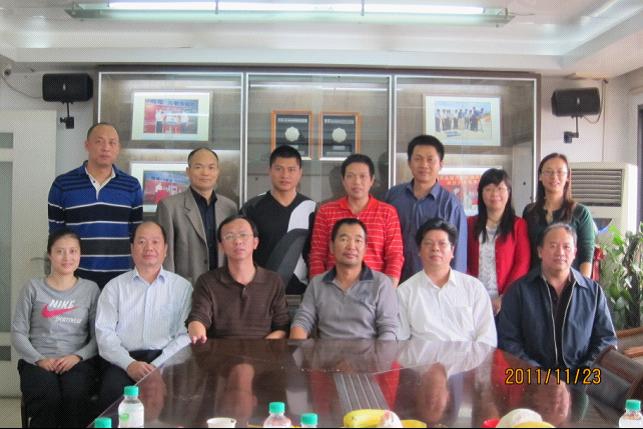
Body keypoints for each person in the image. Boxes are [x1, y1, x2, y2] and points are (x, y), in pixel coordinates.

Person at [95, 221, 192, 411]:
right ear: (132, 249)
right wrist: (130, 364)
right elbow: (104, 334)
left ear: (165, 249)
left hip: (167, 360)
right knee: (111, 395)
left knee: (181, 401)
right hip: (124, 361)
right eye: (141, 242)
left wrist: (156, 366)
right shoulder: (114, 287)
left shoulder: (182, 288)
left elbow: (186, 335)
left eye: (155, 242)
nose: (149, 248)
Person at [11, 229, 100, 428]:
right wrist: (39, 359)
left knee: (75, 395)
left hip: (77, 362)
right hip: (38, 362)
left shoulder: (90, 289)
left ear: (80, 255)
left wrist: (77, 357)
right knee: (48, 397)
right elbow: (18, 333)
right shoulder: (33, 288)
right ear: (49, 255)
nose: (67, 257)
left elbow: (98, 337)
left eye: (73, 251)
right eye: (60, 251)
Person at [497, 223, 616, 369]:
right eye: (553, 246)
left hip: (582, 377)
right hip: (531, 378)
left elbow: (606, 340)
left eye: (566, 247)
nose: (560, 252)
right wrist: (539, 376)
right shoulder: (518, 291)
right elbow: (508, 341)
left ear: (574, 252)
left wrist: (586, 372)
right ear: (540, 251)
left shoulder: (593, 292)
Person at [48, 122, 143, 289]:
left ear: (118, 148)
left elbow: (135, 235)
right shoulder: (63, 185)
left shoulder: (131, 186)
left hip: (121, 278)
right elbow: (56, 236)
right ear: (87, 145)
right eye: (99, 141)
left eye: (112, 142)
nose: (106, 148)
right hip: (76, 278)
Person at [290, 218, 399, 340]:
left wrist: (378, 353)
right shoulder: (317, 283)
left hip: (368, 352)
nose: (351, 246)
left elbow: (388, 330)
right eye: (344, 239)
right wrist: (298, 347)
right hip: (327, 351)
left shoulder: (381, 283)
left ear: (365, 248)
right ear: (332, 246)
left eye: (358, 240)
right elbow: (302, 321)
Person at [186, 214, 290, 342]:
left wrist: (260, 348)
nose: (238, 241)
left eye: (243, 235)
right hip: (220, 353)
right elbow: (198, 317)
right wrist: (197, 332)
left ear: (255, 242)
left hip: (263, 352)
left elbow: (282, 328)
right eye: (229, 236)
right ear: (221, 247)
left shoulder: (273, 281)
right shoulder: (207, 281)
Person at [397, 218, 496, 347]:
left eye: (442, 243)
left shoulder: (474, 287)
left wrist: (472, 359)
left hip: (467, 358)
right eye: (428, 243)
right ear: (419, 251)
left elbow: (487, 337)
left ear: (452, 251)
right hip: (423, 359)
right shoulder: (404, 292)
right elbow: (401, 341)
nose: (435, 248)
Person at [309, 154, 404, 287]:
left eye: (362, 176)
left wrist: (387, 290)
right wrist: (319, 289)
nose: (357, 182)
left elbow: (395, 256)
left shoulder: (387, 212)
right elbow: (317, 255)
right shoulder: (326, 212)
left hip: (374, 290)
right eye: (350, 176)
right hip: (334, 289)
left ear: (372, 180)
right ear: (343, 180)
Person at [385, 135, 467, 282]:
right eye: (418, 159)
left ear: (440, 164)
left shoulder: (451, 205)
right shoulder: (393, 197)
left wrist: (454, 287)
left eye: (430, 159)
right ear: (409, 163)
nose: (424, 165)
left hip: (434, 284)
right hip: (394, 281)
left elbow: (458, 253)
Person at [241, 145, 316, 294]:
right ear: (269, 171)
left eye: (291, 169)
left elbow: (316, 253)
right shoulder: (252, 207)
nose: (285, 175)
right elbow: (242, 251)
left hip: (301, 292)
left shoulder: (311, 209)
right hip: (259, 292)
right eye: (279, 169)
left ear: (300, 173)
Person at [157, 147, 237, 284]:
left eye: (211, 167)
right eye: (198, 167)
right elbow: (166, 255)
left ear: (218, 172)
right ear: (188, 171)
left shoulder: (230, 207)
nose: (205, 173)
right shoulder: (169, 207)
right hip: (186, 285)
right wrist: (169, 287)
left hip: (223, 285)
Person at [467, 169, 530, 315]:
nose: (494, 194)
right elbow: (464, 261)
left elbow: (522, 263)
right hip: (474, 300)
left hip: (507, 300)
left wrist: (505, 297)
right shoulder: (469, 224)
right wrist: (473, 293)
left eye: (500, 188)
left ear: (509, 192)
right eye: (488, 189)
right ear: (481, 193)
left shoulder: (519, 225)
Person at [523, 153, 596, 277]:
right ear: (540, 176)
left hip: (569, 282)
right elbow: (526, 252)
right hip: (536, 283)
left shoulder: (580, 213)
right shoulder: (529, 212)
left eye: (560, 172)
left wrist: (582, 286)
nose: (554, 176)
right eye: (548, 172)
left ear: (568, 177)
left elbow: (586, 254)